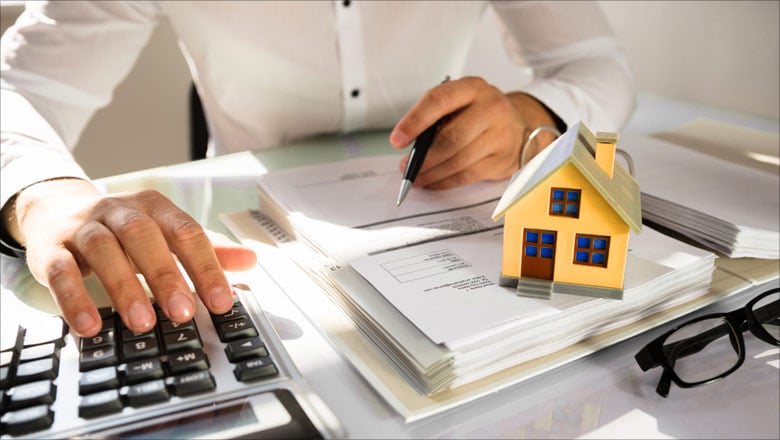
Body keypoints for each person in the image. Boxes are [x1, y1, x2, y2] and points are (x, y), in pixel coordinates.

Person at [0, 1, 635, 337]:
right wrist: (39, 192)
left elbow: (597, 63)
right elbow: (18, 86)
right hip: (248, 252)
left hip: (458, 217)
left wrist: (534, 110)